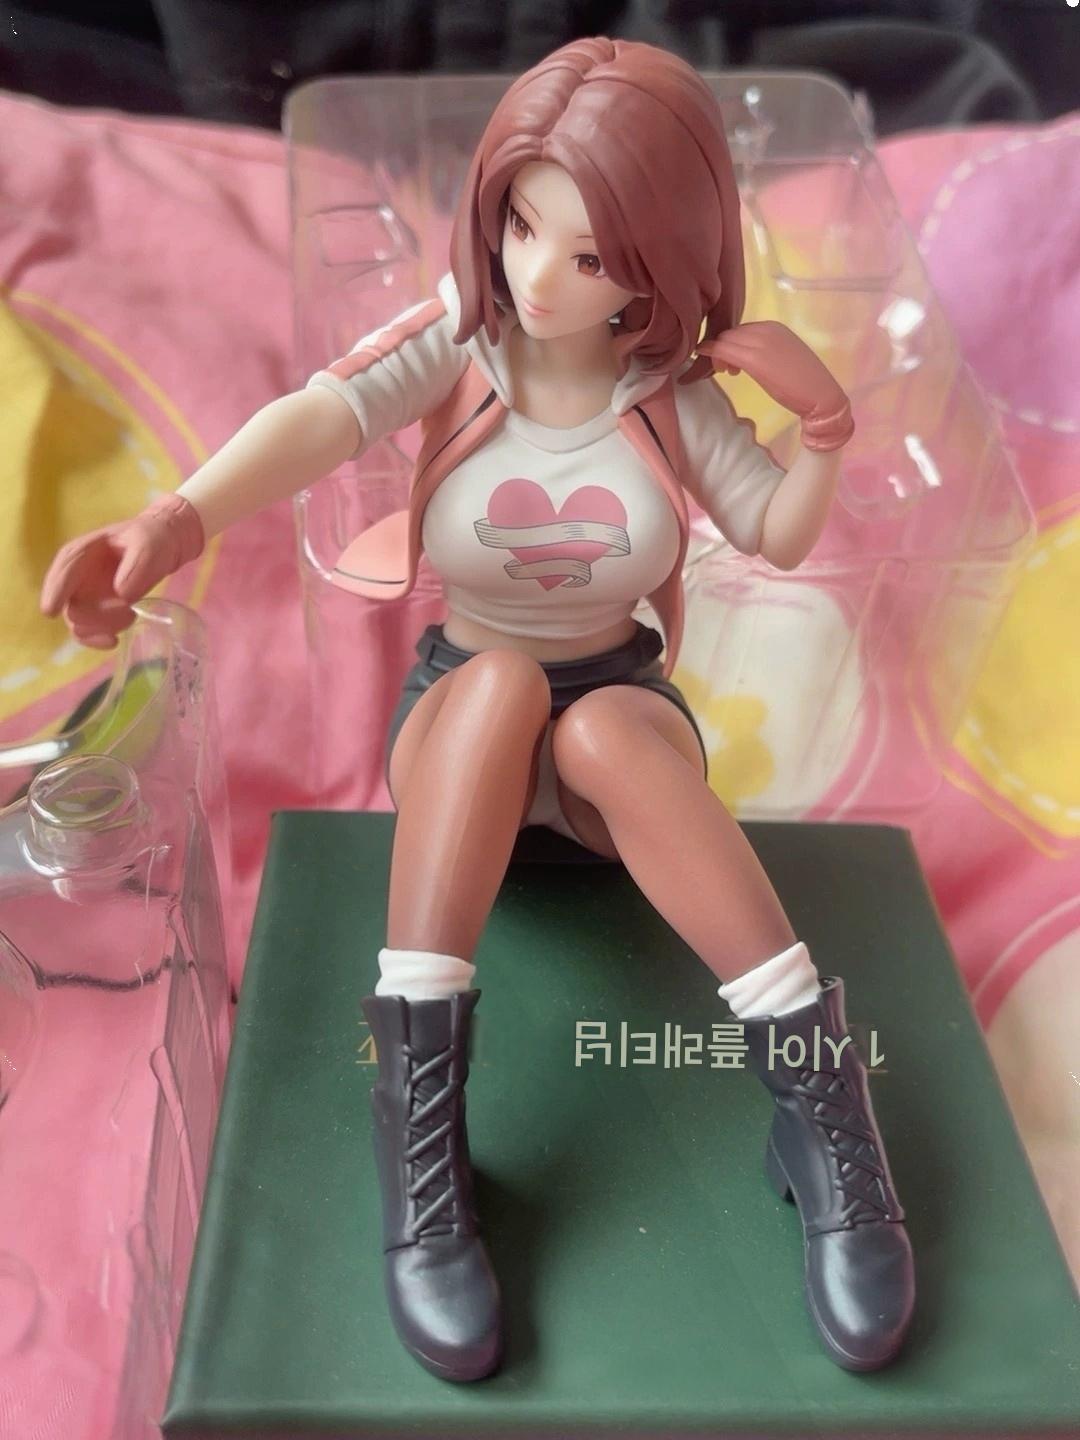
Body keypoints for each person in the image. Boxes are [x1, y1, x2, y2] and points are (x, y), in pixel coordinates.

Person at [40, 37, 913, 1384]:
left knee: (602, 725)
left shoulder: (670, 393)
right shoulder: (464, 340)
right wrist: (174, 520)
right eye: (520, 224)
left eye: (590, 254)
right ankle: (421, 1129)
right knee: (502, 682)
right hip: (462, 726)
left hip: (623, 735)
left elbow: (778, 536)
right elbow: (320, 417)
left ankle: (822, 1107)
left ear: (661, 260)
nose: (536, 273)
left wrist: (828, 429)